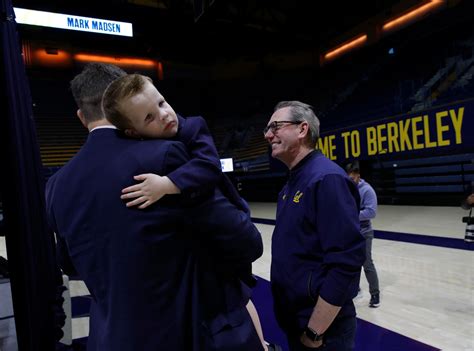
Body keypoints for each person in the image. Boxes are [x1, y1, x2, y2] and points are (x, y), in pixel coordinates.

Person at [45, 63, 264, 351]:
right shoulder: (165, 155)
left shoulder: (56, 186)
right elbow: (245, 242)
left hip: (111, 339)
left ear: (81, 116)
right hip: (191, 335)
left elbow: (69, 263)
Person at [101, 73, 276, 351]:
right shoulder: (142, 150)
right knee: (239, 294)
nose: (164, 114)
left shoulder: (193, 127)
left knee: (240, 288)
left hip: (232, 209)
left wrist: (166, 185)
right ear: (132, 133)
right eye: (149, 117)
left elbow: (208, 167)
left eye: (161, 102)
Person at [263, 101, 365, 351]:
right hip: (296, 322)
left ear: (302, 129)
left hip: (321, 333)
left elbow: (346, 262)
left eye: (275, 126)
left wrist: (314, 331)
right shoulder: (292, 183)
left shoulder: (326, 179)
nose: (268, 135)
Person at [345, 161, 380, 308]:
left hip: (364, 233)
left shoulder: (367, 190)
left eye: (352, 179)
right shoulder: (347, 187)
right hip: (351, 231)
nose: (350, 181)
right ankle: (356, 289)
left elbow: (371, 212)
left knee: (367, 264)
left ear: (358, 176)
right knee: (351, 263)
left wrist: (351, 215)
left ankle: (375, 294)